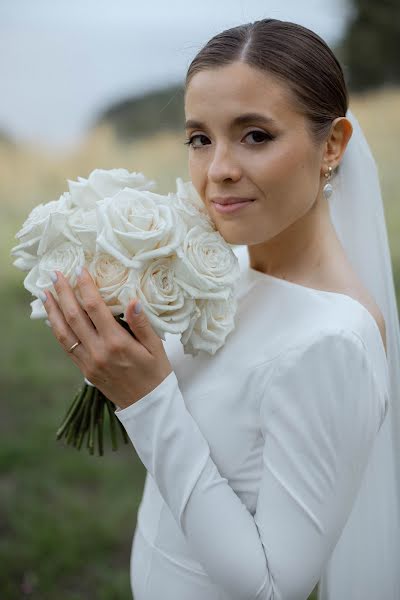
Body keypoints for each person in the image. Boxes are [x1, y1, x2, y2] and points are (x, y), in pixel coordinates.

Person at [113, 19, 400, 599]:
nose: (218, 169)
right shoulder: (230, 273)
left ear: (333, 146)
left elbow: (273, 587)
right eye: (200, 138)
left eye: (256, 136)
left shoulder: (333, 341)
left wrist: (144, 399)